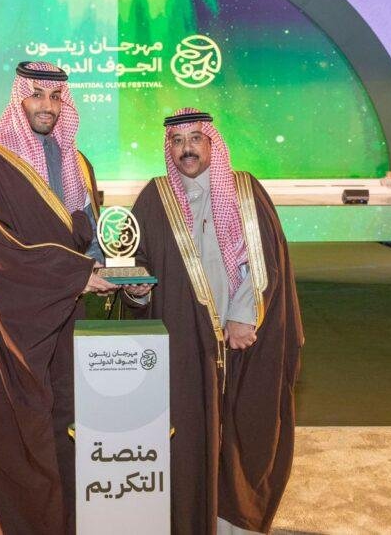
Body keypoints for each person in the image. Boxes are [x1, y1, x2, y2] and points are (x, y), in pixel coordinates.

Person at [123, 107, 304, 534]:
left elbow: (265, 259)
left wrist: (243, 316)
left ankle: (231, 521)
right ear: (168, 148)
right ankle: (188, 517)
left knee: (244, 429)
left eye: (195, 139)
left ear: (211, 143)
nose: (186, 149)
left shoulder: (244, 190)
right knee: (187, 432)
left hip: (242, 338)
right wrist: (136, 291)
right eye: (177, 141)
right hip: (184, 343)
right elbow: (136, 259)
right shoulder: (154, 196)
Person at [0, 60, 115, 533]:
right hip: (9, 320)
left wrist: (109, 265)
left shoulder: (78, 163)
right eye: (37, 95)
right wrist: (76, 273)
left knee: (69, 422)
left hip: (67, 317)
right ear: (19, 99)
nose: (48, 106)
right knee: (14, 426)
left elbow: (89, 236)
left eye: (56, 97)